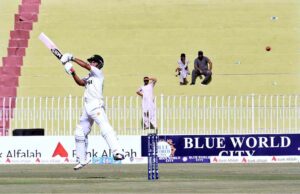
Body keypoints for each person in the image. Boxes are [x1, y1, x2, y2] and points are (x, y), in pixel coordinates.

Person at [60, 53, 125, 170]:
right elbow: (80, 83)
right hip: (87, 108)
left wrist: (72, 58)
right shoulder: (89, 77)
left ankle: (118, 152)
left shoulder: (98, 74)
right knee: (79, 132)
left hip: (96, 106)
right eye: (90, 61)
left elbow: (85, 65)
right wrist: (72, 72)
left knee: (105, 128)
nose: (90, 63)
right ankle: (82, 159)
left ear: (99, 64)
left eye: (93, 62)